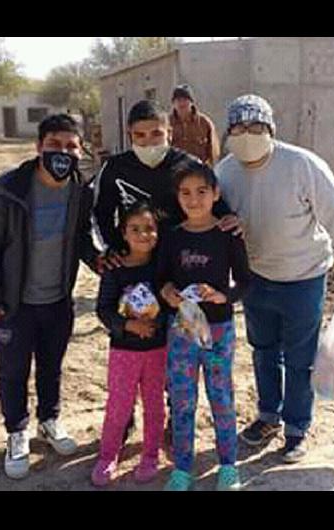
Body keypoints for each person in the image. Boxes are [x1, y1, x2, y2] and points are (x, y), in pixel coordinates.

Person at [215, 94, 334, 464]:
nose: (247, 135)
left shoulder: (301, 165)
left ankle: (296, 428)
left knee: (300, 359)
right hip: (255, 278)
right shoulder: (226, 172)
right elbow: (214, 220)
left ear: (271, 130)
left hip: (303, 277)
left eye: (256, 128)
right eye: (239, 128)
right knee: (263, 351)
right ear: (228, 132)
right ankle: (268, 416)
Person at [93, 99, 241, 450]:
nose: (148, 142)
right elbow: (100, 215)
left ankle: (176, 417)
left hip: (178, 276)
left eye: (156, 133)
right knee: (133, 343)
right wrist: (115, 253)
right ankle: (125, 416)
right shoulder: (115, 168)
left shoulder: (187, 165)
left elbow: (214, 206)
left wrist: (231, 219)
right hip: (134, 273)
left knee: (176, 351)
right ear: (129, 136)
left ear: (169, 132)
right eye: (139, 136)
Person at [0, 113, 105, 479]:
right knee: (13, 371)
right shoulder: (8, 188)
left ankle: (49, 421)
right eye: (55, 145)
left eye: (70, 147)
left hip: (58, 301)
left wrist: (101, 262)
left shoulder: (81, 192)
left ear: (80, 152)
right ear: (39, 147)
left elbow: (81, 239)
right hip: (14, 303)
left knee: (51, 366)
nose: (63, 153)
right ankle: (17, 433)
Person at [157, 161, 251, 491]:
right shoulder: (171, 237)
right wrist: (167, 292)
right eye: (185, 193)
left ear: (216, 194)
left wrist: (222, 297)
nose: (193, 199)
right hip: (183, 329)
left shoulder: (228, 234)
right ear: (177, 197)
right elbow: (162, 279)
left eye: (201, 192)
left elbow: (244, 282)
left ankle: (228, 466)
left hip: (219, 331)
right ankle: (182, 469)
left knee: (221, 397)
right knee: (182, 398)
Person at [92, 203, 167, 486]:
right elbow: (104, 309)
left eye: (149, 229)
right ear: (123, 233)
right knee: (119, 405)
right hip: (124, 351)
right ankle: (108, 455)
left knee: (154, 404)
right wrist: (128, 326)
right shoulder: (115, 268)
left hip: (158, 349)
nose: (143, 235)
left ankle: (150, 455)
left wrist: (156, 326)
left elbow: (171, 306)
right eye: (135, 229)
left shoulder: (162, 266)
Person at [169, 84, 220, 167]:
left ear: (192, 102)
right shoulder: (167, 124)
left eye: (185, 99)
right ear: (173, 103)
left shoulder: (204, 123)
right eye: (178, 100)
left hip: (199, 171)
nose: (181, 103)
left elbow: (214, 152)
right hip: (174, 172)